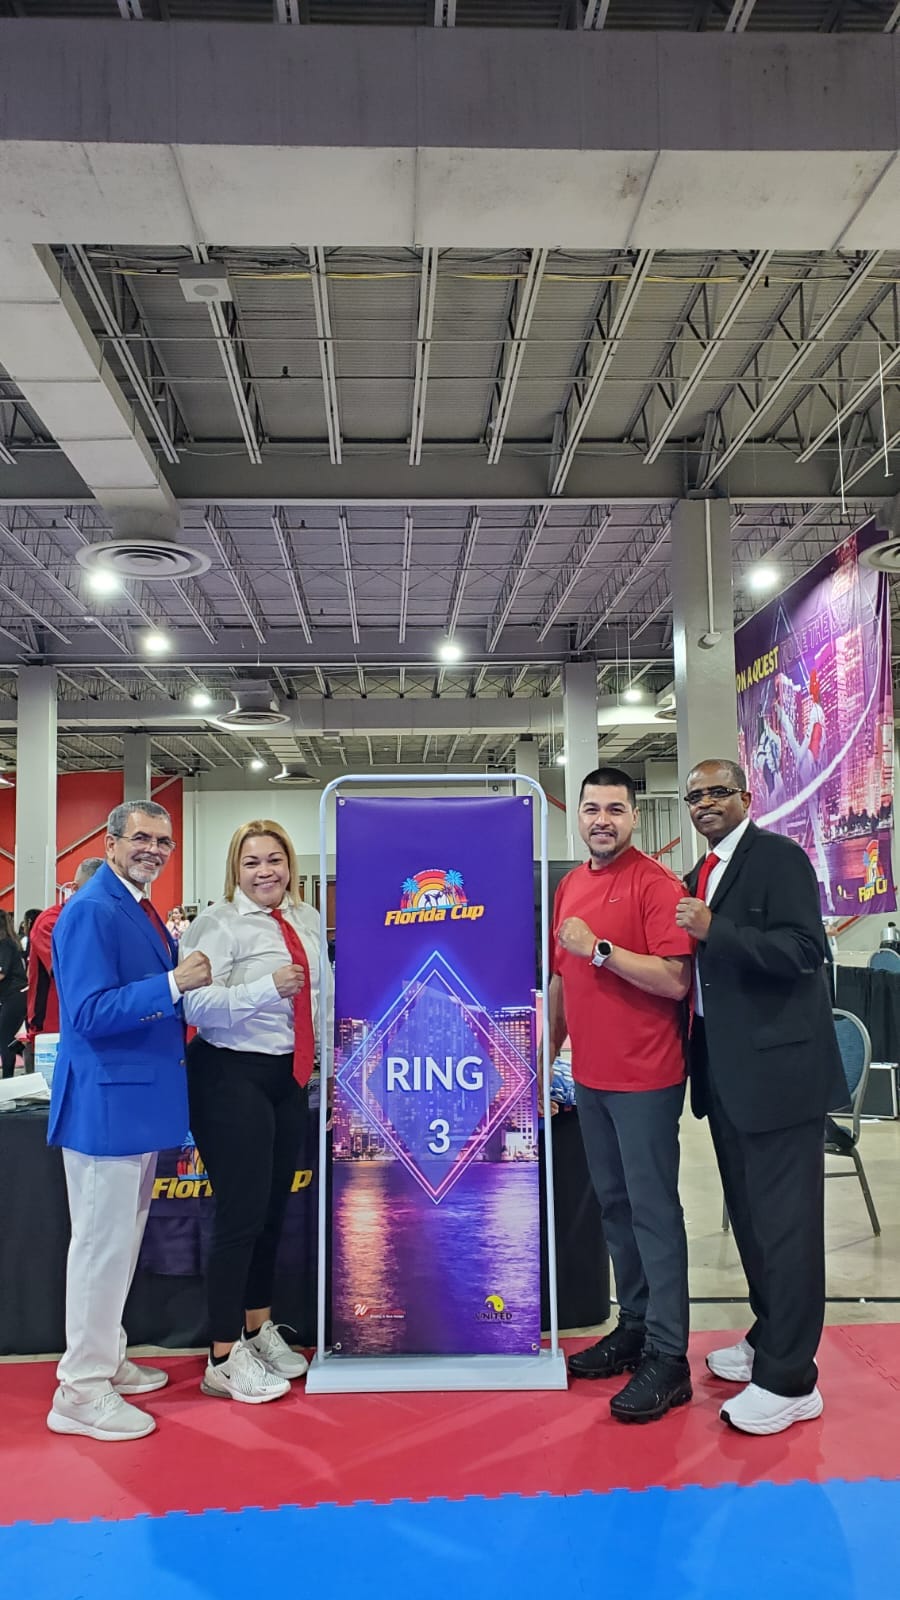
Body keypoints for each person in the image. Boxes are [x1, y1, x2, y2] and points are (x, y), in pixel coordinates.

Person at [677, 758, 844, 1437]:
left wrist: (718, 930)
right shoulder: (701, 873)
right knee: (750, 1221)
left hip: (781, 1078)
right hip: (726, 1076)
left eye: (717, 791)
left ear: (746, 797)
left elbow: (806, 951)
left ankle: (791, 1378)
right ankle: (769, 1334)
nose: (704, 803)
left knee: (788, 1228)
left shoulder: (777, 858)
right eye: (694, 795)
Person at [46, 800, 212, 1442]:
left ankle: (104, 1358)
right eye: (141, 838)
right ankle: (80, 1390)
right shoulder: (92, 908)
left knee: (118, 1242)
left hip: (133, 1100)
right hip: (106, 1103)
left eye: (163, 841)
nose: (154, 848)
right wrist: (173, 984)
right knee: (99, 1247)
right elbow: (85, 1013)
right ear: (110, 842)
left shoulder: (132, 904)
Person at [549, 767, 693, 1423]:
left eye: (614, 809)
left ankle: (670, 1356)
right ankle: (634, 1326)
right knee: (613, 1208)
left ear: (634, 816)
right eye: (590, 809)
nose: (601, 819)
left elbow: (675, 981)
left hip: (646, 1079)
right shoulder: (571, 884)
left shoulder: (655, 884)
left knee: (653, 1214)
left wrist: (602, 949)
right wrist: (542, 1059)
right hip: (591, 1078)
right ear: (577, 816)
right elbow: (559, 982)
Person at [179, 820, 333, 1404]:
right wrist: (266, 989)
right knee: (240, 1215)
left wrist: (333, 1067)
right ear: (235, 870)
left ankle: (255, 1326)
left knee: (271, 1212)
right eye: (252, 863)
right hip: (228, 1075)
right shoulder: (216, 924)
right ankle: (221, 1355)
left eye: (275, 859)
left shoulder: (306, 920)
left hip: (287, 1076)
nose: (265, 871)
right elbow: (196, 1004)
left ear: (291, 864)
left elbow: (323, 997)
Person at [25, 858, 103, 1072]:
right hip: (51, 1036)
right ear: (75, 889)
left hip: (89, 1032)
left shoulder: (99, 921)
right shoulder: (50, 922)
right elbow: (75, 972)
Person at [0, 909, 26, 1078]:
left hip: (15, 996)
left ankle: (7, 1081)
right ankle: (22, 1048)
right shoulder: (9, 943)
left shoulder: (5, 944)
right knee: (4, 1037)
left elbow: (1, 973)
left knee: (4, 1037)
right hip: (10, 996)